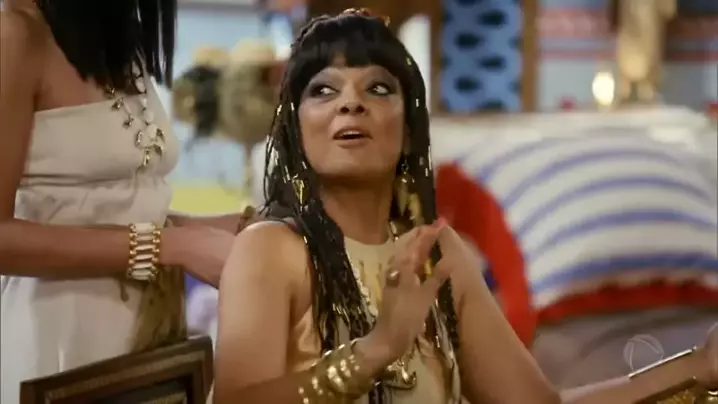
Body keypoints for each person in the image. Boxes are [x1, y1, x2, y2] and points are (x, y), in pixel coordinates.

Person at [213, 10, 560, 404]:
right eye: (324, 90)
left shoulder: (435, 254)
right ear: (296, 129)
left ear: (408, 129)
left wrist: (626, 387)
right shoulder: (269, 250)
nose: (351, 103)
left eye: (377, 88)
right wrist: (377, 348)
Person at [0, 1, 242, 402]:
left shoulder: (118, 39)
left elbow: (116, 207)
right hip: (61, 336)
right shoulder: (16, 34)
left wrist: (238, 227)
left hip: (147, 332)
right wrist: (170, 247)